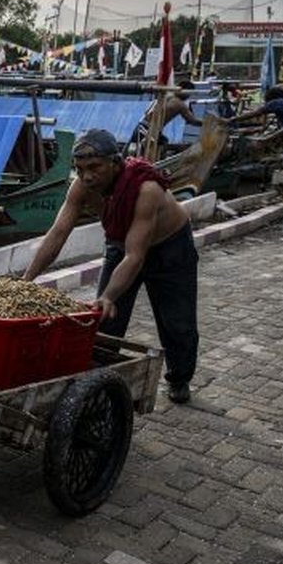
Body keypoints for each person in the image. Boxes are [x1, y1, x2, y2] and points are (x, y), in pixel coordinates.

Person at [23, 129, 199, 404]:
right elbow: (57, 234)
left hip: (169, 248)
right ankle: (98, 380)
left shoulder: (146, 189)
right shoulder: (81, 187)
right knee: (104, 320)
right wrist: (27, 279)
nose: (87, 176)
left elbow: (135, 256)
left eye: (95, 167)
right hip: (121, 244)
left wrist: (109, 294)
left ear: (116, 163)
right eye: (80, 169)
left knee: (177, 322)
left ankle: (180, 378)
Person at [132, 80, 203, 150]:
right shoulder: (180, 104)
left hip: (141, 126)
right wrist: (205, 122)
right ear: (185, 92)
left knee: (162, 141)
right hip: (150, 131)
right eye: (189, 94)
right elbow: (192, 120)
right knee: (162, 144)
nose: (189, 97)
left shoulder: (165, 96)